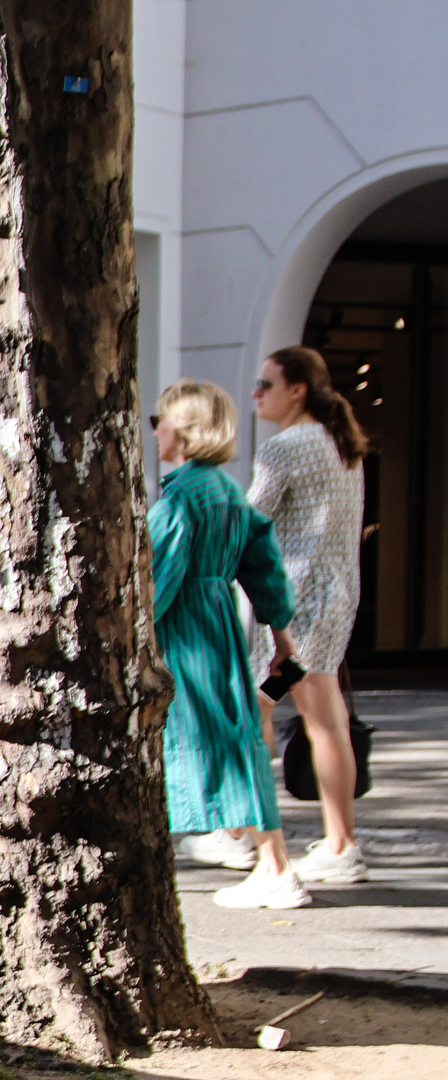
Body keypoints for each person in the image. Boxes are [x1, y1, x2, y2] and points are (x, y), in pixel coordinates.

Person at [149, 382, 309, 910]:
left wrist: (135, 639)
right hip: (218, 623)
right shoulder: (225, 490)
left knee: (215, 734)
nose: (155, 430)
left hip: (188, 627)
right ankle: (249, 845)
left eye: (161, 420)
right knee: (233, 733)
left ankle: (273, 865)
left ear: (186, 431)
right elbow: (264, 567)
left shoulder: (180, 497)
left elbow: (157, 580)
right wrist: (281, 636)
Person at [243, 345, 372, 885]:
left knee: (256, 712)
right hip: (333, 604)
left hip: (292, 619)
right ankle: (340, 843)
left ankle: (256, 844)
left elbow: (249, 524)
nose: (257, 393)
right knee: (324, 720)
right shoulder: (342, 444)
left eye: (267, 384)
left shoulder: (285, 449)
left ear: (298, 389)